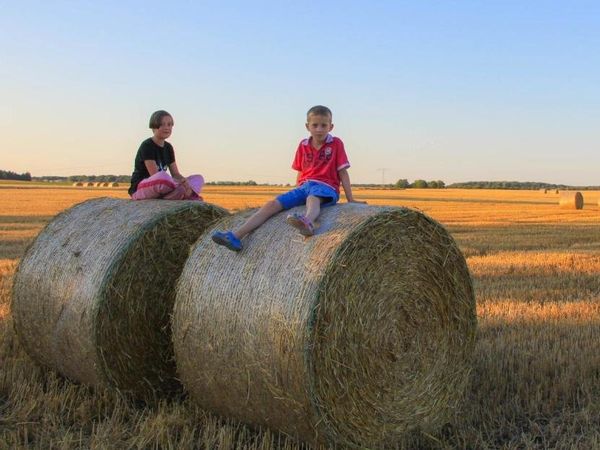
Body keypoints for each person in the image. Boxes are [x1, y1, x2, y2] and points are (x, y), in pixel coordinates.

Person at [212, 105, 364, 252]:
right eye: (315, 125)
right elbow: (300, 170)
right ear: (307, 126)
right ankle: (235, 236)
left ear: (331, 127)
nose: (319, 129)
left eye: (323, 125)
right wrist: (297, 189)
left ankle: (307, 222)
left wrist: (350, 199)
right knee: (272, 204)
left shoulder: (336, 143)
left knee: (313, 198)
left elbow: (343, 172)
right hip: (304, 186)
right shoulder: (303, 145)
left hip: (326, 186)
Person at [128, 110, 204, 200]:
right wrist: (178, 183)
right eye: (162, 124)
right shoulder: (147, 145)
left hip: (164, 186)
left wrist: (184, 181)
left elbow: (175, 174)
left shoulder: (168, 147)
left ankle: (176, 194)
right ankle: (185, 194)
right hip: (142, 188)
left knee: (198, 179)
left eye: (169, 124)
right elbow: (155, 175)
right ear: (153, 127)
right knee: (163, 176)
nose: (166, 127)